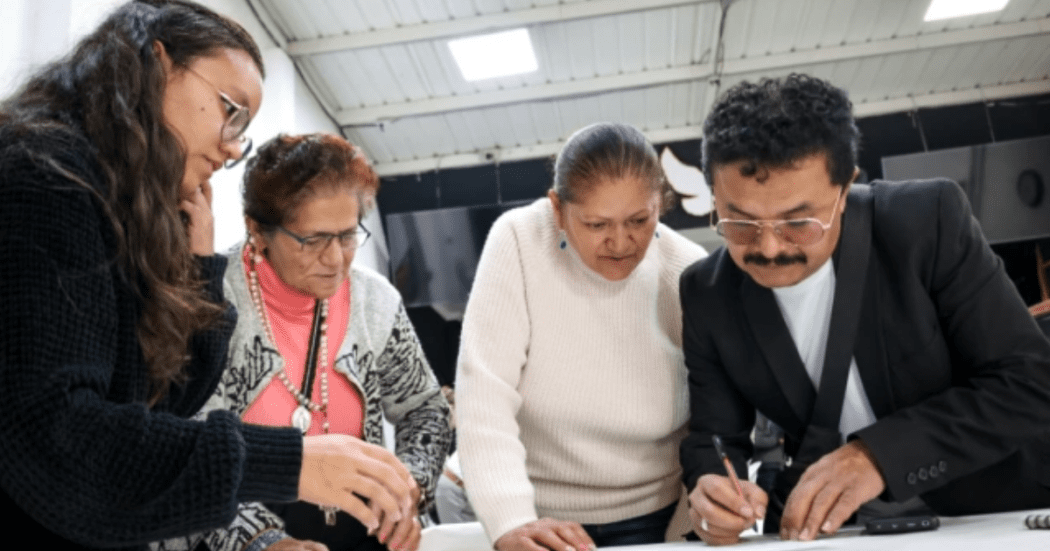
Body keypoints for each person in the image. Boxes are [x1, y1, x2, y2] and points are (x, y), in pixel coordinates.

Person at [0, 2, 415, 549]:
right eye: (230, 110)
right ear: (158, 65)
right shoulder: (45, 178)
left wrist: (197, 269)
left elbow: (163, 401)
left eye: (347, 237)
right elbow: (60, 438)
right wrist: (286, 468)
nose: (233, 146)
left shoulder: (122, 210)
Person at [678, 73, 1050, 546]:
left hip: (994, 509)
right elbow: (714, 438)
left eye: (799, 222)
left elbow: (1029, 382)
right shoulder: (707, 292)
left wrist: (877, 456)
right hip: (841, 530)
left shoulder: (925, 222)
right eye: (739, 223)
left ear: (845, 188)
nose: (769, 248)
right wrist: (711, 489)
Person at [186, 133, 451, 551]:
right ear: (258, 229)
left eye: (347, 236)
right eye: (312, 240)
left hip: (360, 531)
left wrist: (407, 489)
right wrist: (263, 541)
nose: (336, 259)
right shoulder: (208, 299)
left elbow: (425, 409)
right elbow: (188, 448)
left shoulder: (374, 301)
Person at [456, 122, 708, 550]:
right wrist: (510, 521)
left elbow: (709, 421)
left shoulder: (687, 270)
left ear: (660, 205)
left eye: (639, 220)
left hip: (654, 515)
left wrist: (686, 527)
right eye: (596, 224)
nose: (620, 242)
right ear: (557, 208)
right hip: (539, 515)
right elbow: (485, 393)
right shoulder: (518, 239)